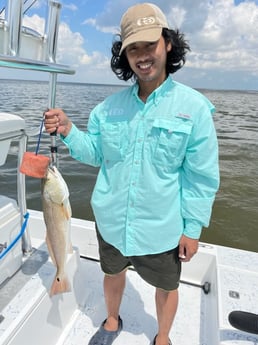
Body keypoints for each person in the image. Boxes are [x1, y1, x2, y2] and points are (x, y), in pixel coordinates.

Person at [44, 3, 220, 345]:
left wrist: (192, 229)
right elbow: (95, 153)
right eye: (132, 48)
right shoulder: (106, 109)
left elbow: (201, 176)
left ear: (167, 43)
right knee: (111, 274)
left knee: (167, 287)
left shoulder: (194, 108)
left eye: (149, 45)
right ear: (124, 56)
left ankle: (164, 336)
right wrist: (68, 130)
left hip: (163, 229)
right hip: (110, 221)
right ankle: (112, 320)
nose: (142, 56)